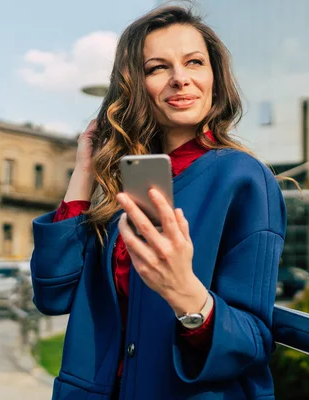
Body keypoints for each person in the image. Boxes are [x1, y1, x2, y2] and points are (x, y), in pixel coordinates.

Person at [31, 5, 287, 399]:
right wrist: (84, 168)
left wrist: (184, 291)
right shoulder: (127, 184)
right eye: (158, 68)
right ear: (137, 85)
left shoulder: (244, 179)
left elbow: (252, 341)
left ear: (214, 79)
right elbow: (54, 295)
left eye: (194, 62)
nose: (180, 79)